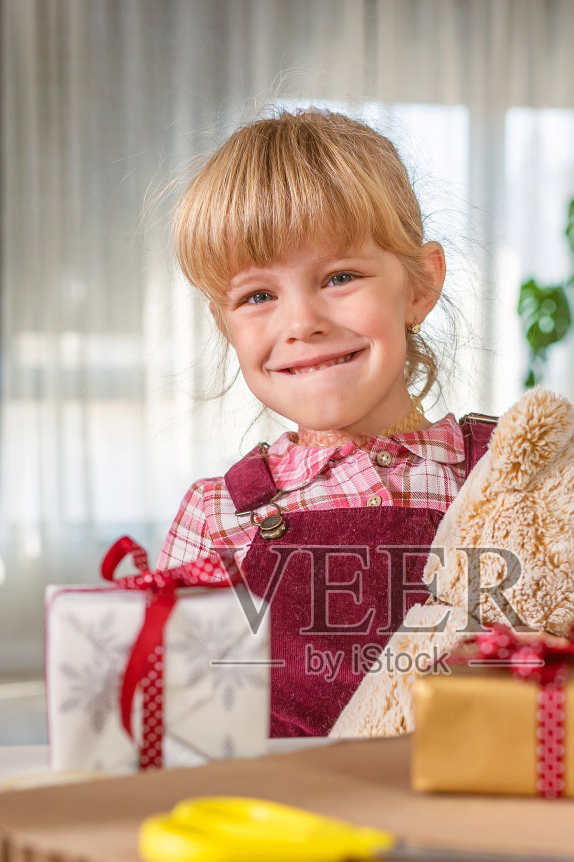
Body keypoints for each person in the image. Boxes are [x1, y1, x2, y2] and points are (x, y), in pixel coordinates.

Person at [158, 108, 496, 737]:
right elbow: (183, 719)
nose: (301, 321)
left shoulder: (505, 478)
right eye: (258, 295)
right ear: (224, 324)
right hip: (288, 821)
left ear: (420, 286)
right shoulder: (218, 515)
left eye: (340, 277)